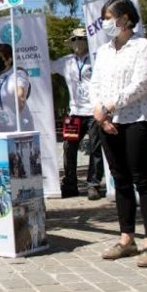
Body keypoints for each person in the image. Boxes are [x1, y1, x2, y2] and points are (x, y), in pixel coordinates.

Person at [90, 0, 147, 268]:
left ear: (125, 18)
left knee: (141, 178)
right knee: (120, 180)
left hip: (137, 120)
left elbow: (141, 84)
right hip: (108, 122)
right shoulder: (104, 50)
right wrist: (100, 112)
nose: (106, 23)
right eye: (104, 18)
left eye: (109, 17)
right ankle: (126, 238)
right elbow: (95, 83)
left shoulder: (143, 46)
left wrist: (111, 105)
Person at [51, 28, 104, 200]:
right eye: (74, 39)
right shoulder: (66, 62)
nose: (77, 42)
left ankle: (93, 184)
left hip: (94, 111)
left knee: (95, 148)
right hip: (74, 113)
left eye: (80, 39)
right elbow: (46, 65)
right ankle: (70, 184)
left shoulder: (96, 60)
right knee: (68, 148)